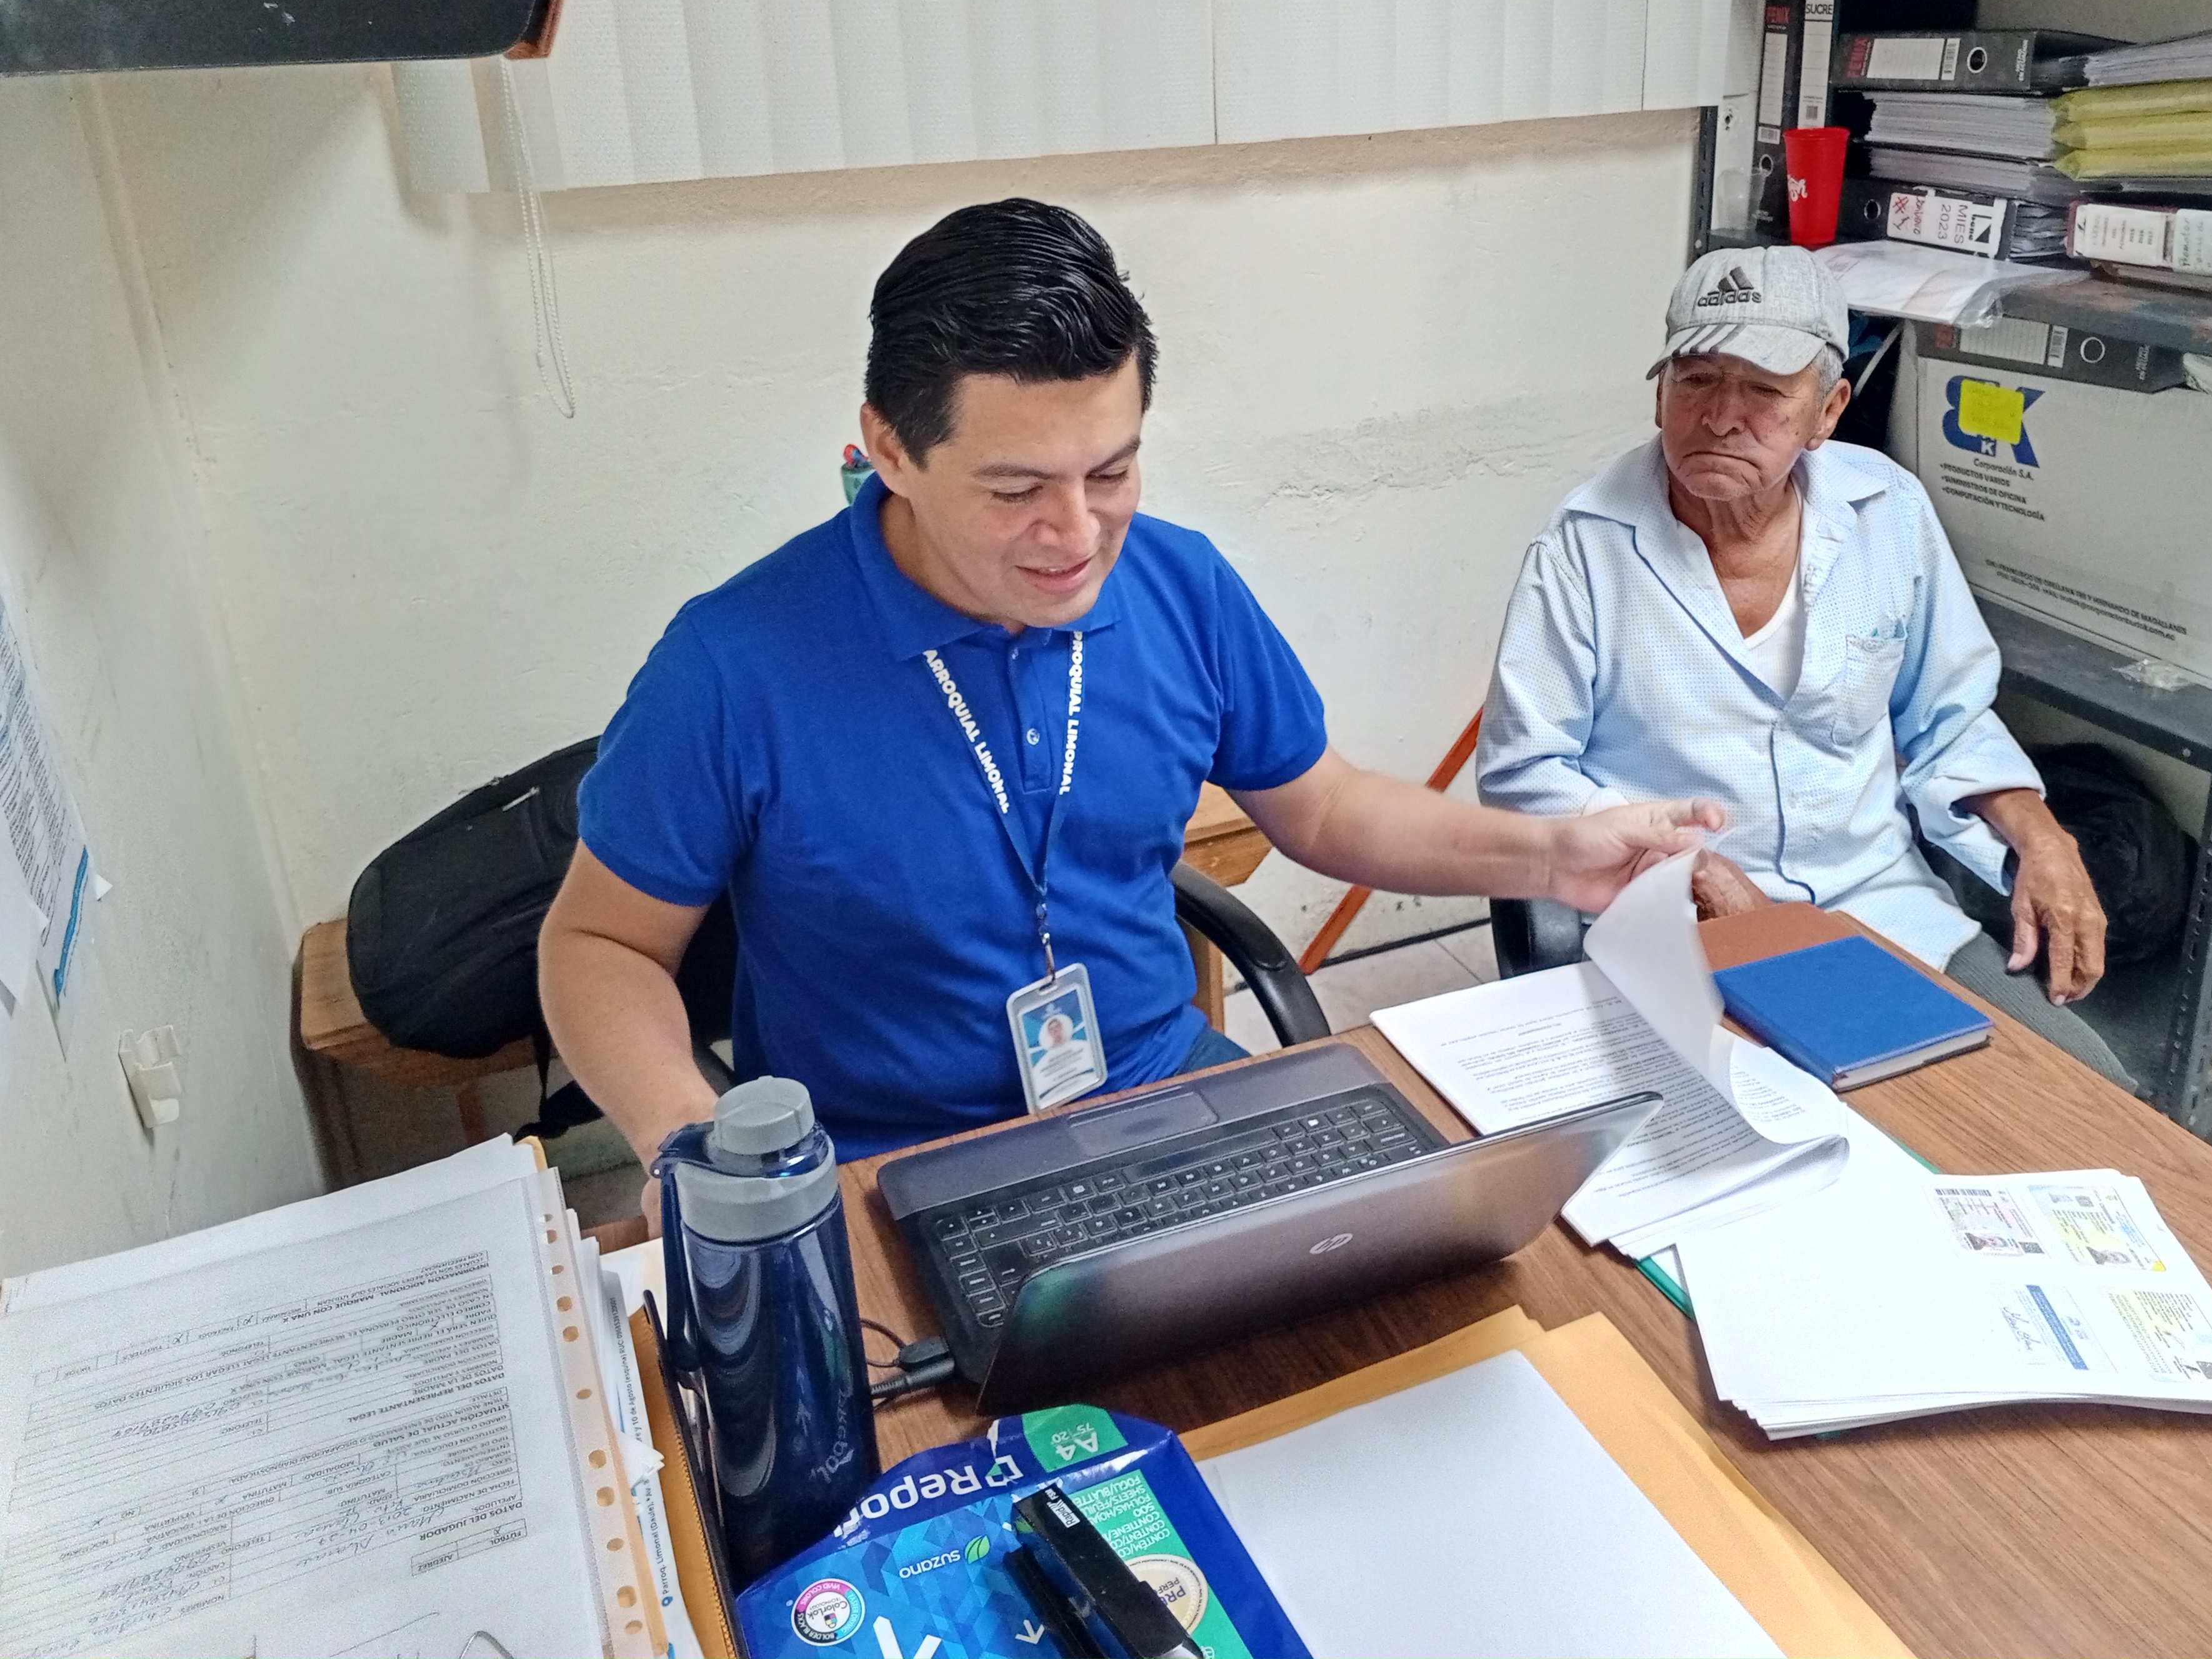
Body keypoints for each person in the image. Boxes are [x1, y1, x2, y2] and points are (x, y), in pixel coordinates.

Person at [541, 199, 1716, 1203]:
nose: (1076, 534)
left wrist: (1551, 854)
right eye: (1015, 490)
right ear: (890, 452)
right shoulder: (733, 665)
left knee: (1462, 1284)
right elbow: (600, 945)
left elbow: (1324, 807)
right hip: (887, 1164)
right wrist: (692, 1152)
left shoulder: (1179, 584)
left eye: (1110, 471)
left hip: (1171, 1098)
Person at [1477, 244, 2127, 1086]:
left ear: (1827, 412)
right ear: (1660, 393)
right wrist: (1691, 867)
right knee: (1777, 1135)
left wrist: (2043, 838)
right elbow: (1523, 772)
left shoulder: (1888, 512)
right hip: (1676, 927)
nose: (1721, 416)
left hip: (1880, 911)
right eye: (1697, 380)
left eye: (1763, 390)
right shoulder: (1583, 548)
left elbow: (1949, 716)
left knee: (2084, 1100)